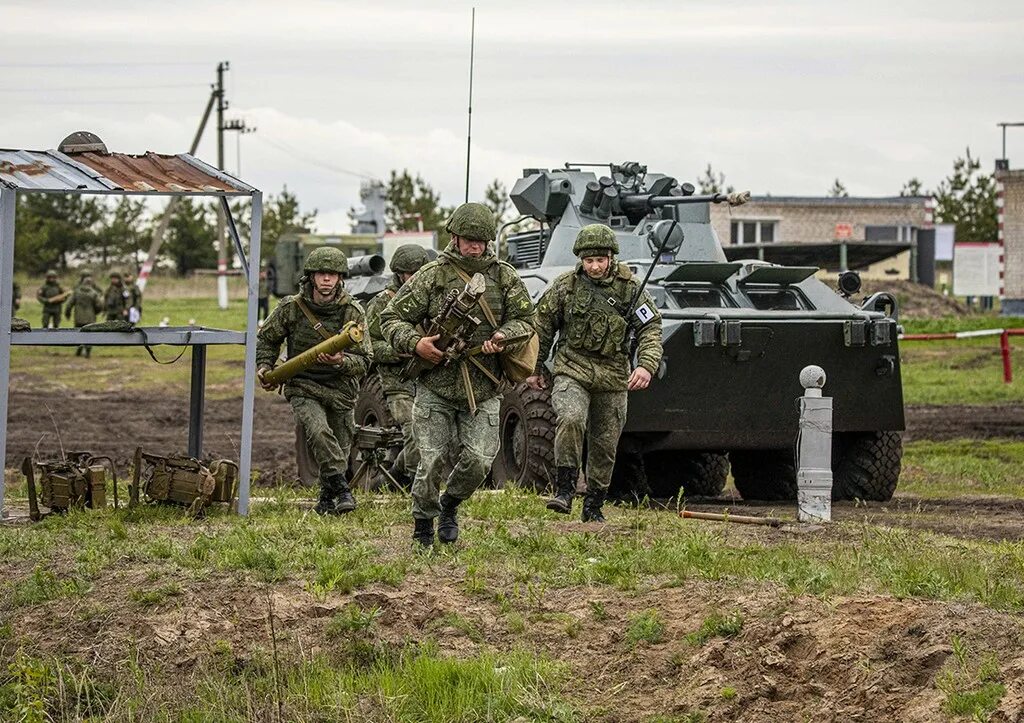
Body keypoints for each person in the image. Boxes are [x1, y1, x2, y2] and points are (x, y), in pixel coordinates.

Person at [381, 203, 535, 546]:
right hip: (436, 383)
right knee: (430, 459)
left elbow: (527, 320)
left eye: (480, 240)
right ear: (455, 237)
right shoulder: (433, 275)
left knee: (480, 460)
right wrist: (416, 343)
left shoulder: (504, 276)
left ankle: (449, 505)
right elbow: (390, 318)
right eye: (468, 239)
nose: (474, 246)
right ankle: (423, 524)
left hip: (484, 385)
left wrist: (504, 336)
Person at [526, 224, 663, 523]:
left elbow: (650, 327)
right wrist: (535, 367)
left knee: (605, 442)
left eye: (600, 259)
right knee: (571, 418)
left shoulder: (630, 289)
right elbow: (543, 325)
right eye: (589, 261)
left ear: (611, 258)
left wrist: (646, 364)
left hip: (613, 375)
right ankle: (564, 490)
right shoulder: (566, 286)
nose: (595, 266)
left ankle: (594, 504)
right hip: (572, 368)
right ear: (581, 260)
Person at [256, 247, 372, 515]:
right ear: (311, 277)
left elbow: (365, 360)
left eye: (332, 274)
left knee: (340, 449)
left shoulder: (352, 312)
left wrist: (341, 362)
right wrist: (265, 365)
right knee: (318, 432)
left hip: (341, 388)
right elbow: (268, 339)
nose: (327, 280)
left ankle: (325, 499)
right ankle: (342, 489)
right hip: (303, 384)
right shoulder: (292, 308)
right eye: (322, 274)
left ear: (341, 278)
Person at [365, 244, 431, 489]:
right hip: (398, 382)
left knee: (432, 433)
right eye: (409, 273)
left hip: (426, 380)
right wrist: (397, 352)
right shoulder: (382, 303)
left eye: (419, 272)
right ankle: (415, 484)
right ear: (399, 273)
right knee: (415, 430)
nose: (414, 278)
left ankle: (394, 476)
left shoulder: (430, 300)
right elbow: (369, 346)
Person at [65, 271, 103, 357]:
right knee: (89, 334)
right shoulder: (94, 293)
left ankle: (79, 348)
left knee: (79, 333)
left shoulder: (76, 292)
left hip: (78, 317)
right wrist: (95, 312)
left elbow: (69, 304)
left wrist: (67, 314)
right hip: (90, 318)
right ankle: (88, 351)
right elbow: (100, 306)